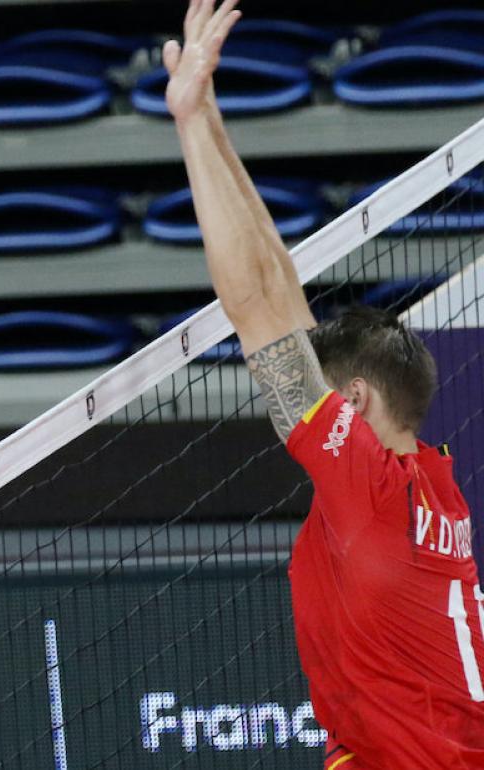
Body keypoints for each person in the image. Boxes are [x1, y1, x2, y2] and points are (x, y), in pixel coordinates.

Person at [165, 1, 484, 766]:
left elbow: (253, 311)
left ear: (355, 404)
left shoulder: (372, 491)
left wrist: (185, 127)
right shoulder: (434, 488)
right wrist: (205, 117)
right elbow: (277, 295)